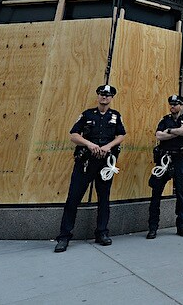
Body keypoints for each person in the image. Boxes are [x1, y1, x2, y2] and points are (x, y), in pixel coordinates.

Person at [54, 84, 126, 253]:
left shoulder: (115, 116)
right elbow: (74, 135)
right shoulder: (87, 115)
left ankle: (101, 233)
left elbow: (122, 135)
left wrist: (108, 146)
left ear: (112, 98)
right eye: (102, 94)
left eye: (108, 95)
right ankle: (64, 237)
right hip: (85, 163)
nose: (104, 97)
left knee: (104, 199)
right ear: (98, 96)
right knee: (73, 198)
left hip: (105, 164)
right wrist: (90, 144)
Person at [147, 94, 183, 239]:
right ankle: (153, 227)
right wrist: (176, 132)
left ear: (181, 105)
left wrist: (170, 131)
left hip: (179, 159)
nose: (172, 106)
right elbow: (159, 136)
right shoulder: (164, 120)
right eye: (171, 104)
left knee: (181, 194)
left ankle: (182, 226)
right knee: (156, 193)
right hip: (164, 159)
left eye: (176, 104)